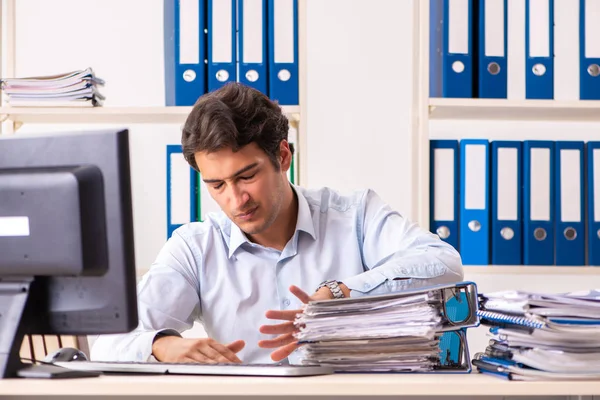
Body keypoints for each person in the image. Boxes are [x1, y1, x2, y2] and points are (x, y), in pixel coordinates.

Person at [91, 82, 463, 365]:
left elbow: (443, 264)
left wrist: (342, 293)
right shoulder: (195, 247)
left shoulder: (355, 216)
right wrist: (164, 345)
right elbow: (107, 342)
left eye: (247, 176)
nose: (236, 200)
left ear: (282, 156)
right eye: (217, 185)